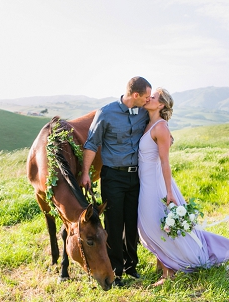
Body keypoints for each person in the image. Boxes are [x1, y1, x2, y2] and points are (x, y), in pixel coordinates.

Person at [136, 87, 229, 287]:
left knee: (155, 227)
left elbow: (165, 162)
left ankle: (169, 274)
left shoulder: (160, 127)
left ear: (161, 104)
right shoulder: (148, 123)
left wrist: (169, 193)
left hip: (156, 186)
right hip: (145, 183)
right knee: (151, 226)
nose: (148, 98)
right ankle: (163, 263)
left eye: (152, 97)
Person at [80, 76, 151, 287]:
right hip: (113, 177)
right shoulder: (106, 113)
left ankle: (132, 266)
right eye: (146, 96)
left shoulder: (145, 112)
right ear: (135, 95)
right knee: (114, 222)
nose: (149, 100)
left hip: (137, 175)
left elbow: (157, 126)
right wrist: (85, 173)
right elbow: (92, 144)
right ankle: (116, 270)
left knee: (132, 222)